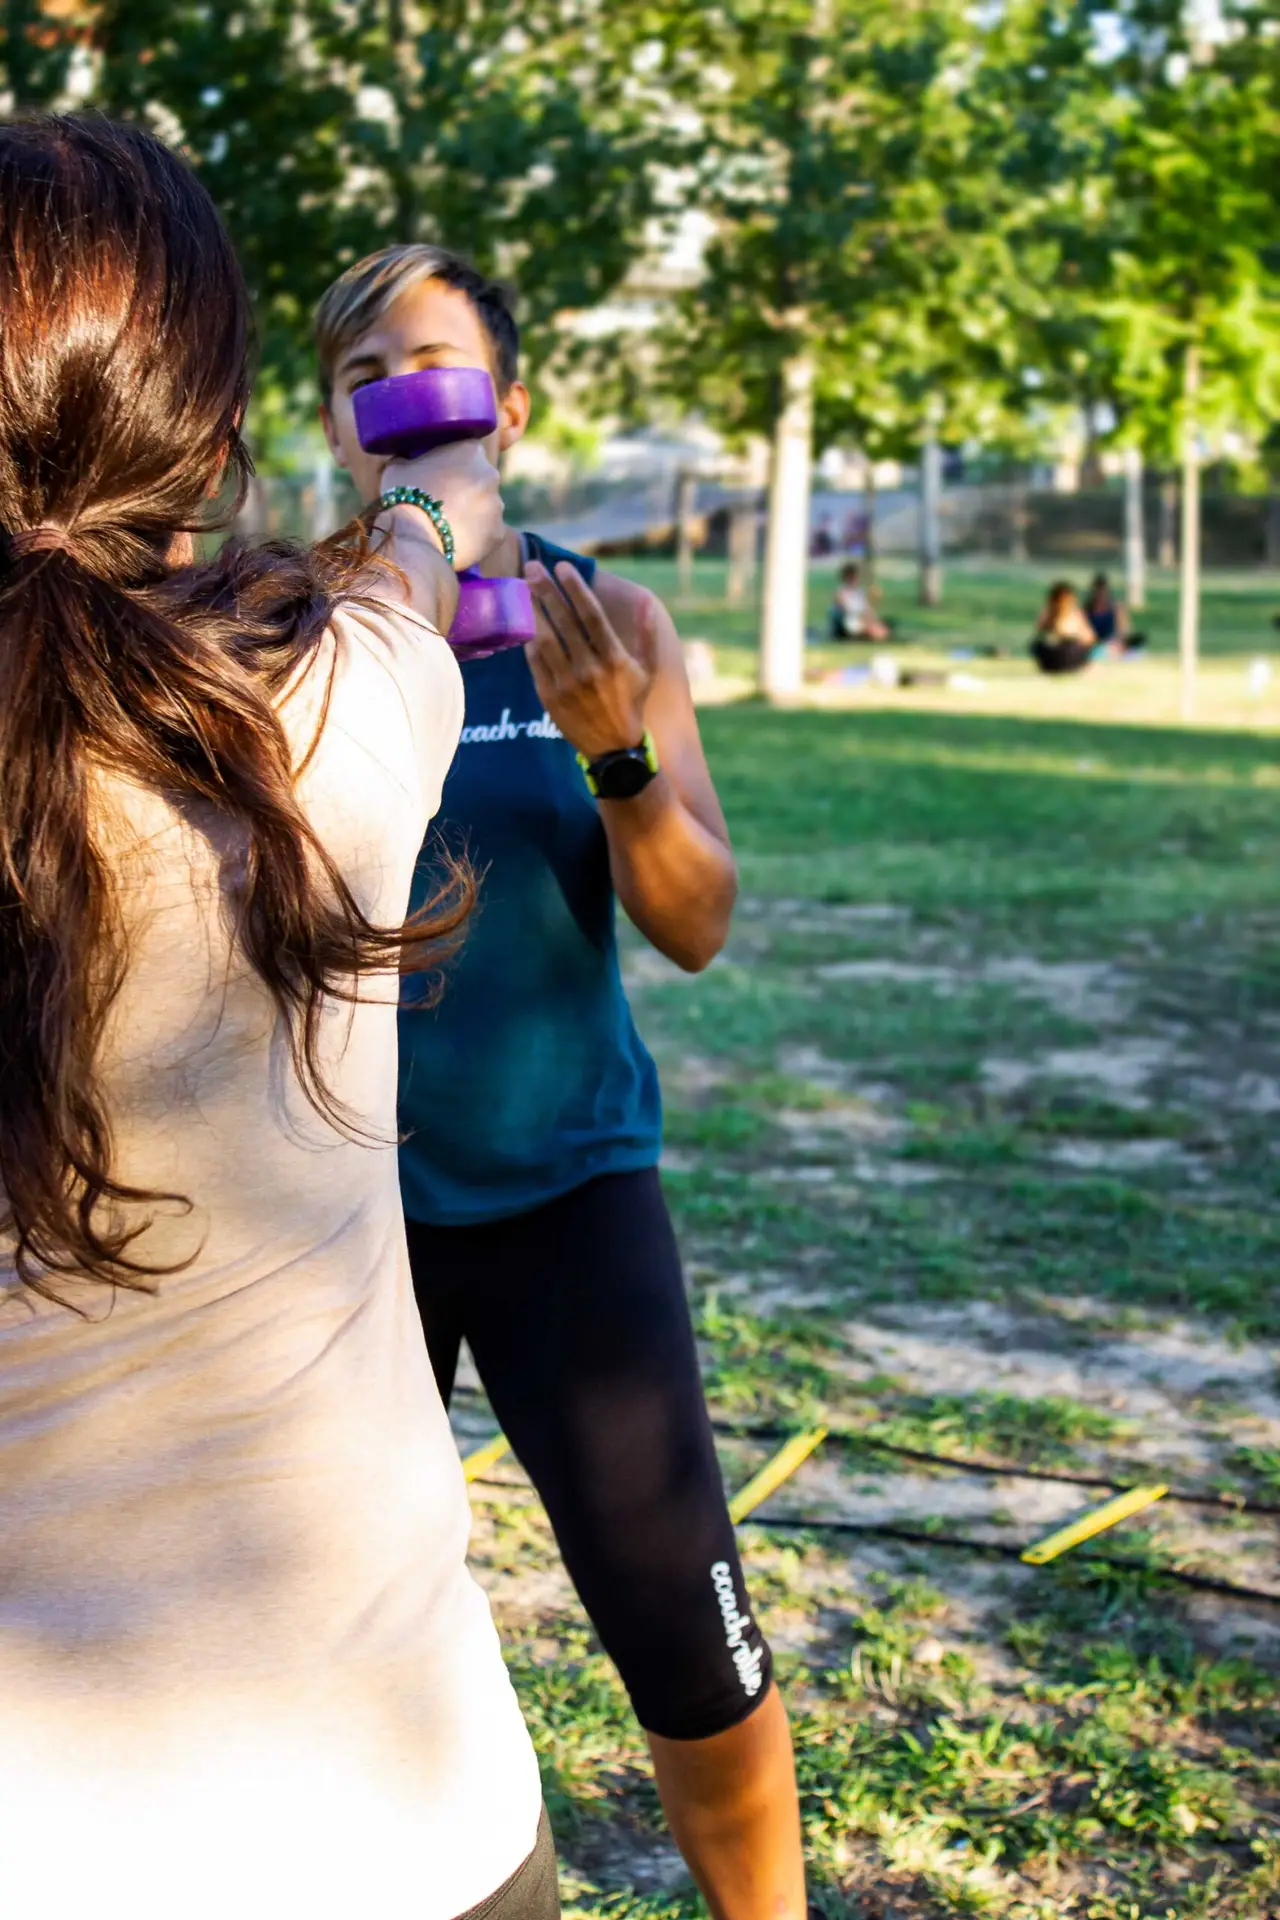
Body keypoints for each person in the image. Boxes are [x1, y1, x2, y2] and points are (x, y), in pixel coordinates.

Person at [0, 119, 555, 1919]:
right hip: (409, 1823)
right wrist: (416, 480)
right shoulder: (334, 720)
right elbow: (413, 559)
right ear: (221, 433)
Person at [318, 245, 805, 1920]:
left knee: (683, 1621)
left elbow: (698, 922)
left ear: (507, 412)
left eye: (432, 364)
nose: (398, 395)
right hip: (340, 1219)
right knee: (318, 1633)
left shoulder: (613, 618)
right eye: (363, 369)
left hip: (567, 1196)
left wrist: (616, 753)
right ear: (336, 421)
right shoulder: (283, 629)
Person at [1030, 580, 1097, 673]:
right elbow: (1041, 633)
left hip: (1070, 651)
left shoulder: (1075, 614)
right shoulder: (1049, 613)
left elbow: (1089, 637)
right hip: (1053, 653)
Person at [1084, 572, 1145, 655]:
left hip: (1113, 643)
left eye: (1103, 592)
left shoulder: (1116, 609)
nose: (1101, 596)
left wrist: (1119, 642)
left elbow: (1125, 631)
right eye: (1098, 592)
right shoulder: (1087, 609)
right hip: (1095, 644)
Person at [829, 560, 890, 641]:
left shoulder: (860, 591)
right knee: (868, 627)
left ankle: (874, 632)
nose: (855, 579)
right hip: (850, 620)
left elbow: (866, 608)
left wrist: (873, 603)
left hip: (862, 618)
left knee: (880, 626)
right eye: (852, 576)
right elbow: (846, 609)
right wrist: (863, 617)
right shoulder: (841, 591)